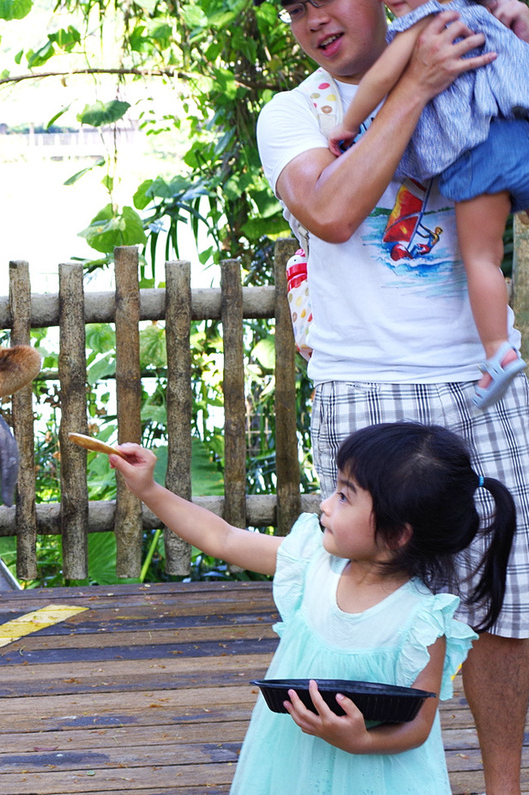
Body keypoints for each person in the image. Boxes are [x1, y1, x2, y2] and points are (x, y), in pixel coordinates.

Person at [256, 0, 529, 789]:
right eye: (294, 8)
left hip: (481, 382)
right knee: (368, 604)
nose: (312, 18)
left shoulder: (473, 46)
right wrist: (416, 82)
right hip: (363, 387)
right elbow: (333, 210)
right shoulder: (293, 113)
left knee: (503, 608)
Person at [109, 422, 516, 793]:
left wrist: (362, 740)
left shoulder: (421, 623)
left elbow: (418, 726)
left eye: (344, 496)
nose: (325, 504)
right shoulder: (312, 563)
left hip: (375, 779)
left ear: (396, 534)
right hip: (290, 765)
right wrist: (148, 489)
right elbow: (224, 539)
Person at [325, 0, 529, 409]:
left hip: (478, 153)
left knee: (483, 258)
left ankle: (497, 352)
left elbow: (381, 77)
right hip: (521, 135)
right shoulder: (475, 10)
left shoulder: (423, 25)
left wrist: (348, 126)